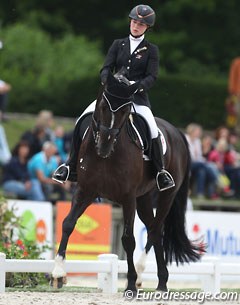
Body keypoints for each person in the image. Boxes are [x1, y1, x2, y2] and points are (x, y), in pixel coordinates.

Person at [53, 4, 175, 191]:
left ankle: (160, 172)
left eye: (140, 24)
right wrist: (107, 81)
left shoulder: (151, 50)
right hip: (113, 96)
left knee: (152, 128)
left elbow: (152, 76)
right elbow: (106, 68)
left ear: (147, 28)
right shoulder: (118, 44)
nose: (136, 26)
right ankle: (69, 165)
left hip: (136, 98)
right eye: (134, 22)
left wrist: (137, 87)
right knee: (81, 120)